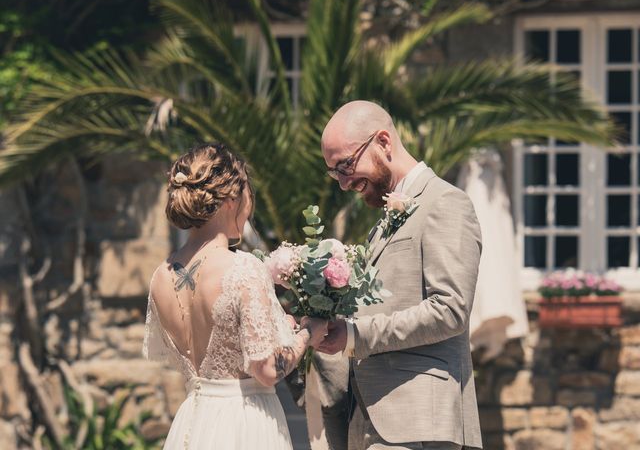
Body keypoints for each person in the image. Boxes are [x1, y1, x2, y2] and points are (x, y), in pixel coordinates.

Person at [318, 101, 483, 450]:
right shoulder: (382, 220)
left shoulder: (445, 202)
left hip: (420, 421)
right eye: (335, 173)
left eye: (346, 165)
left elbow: (450, 310)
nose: (344, 184)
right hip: (369, 419)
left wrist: (354, 335)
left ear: (383, 142)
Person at [142, 143, 327, 450]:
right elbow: (267, 370)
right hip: (243, 424)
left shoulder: (161, 276)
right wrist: (308, 332)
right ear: (232, 198)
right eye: (248, 193)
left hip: (192, 421)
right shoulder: (243, 267)